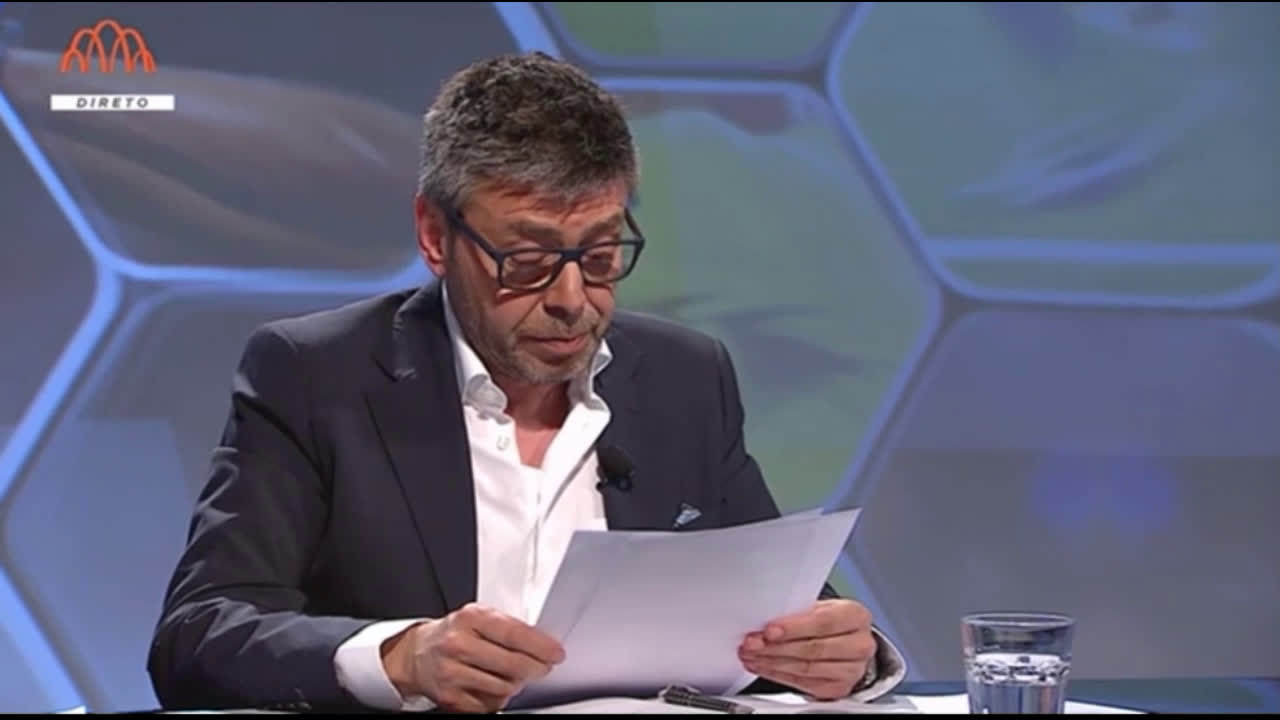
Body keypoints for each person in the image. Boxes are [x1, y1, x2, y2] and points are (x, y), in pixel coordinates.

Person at [146, 51, 905, 713]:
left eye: (601, 256)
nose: (573, 300)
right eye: (529, 260)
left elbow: (777, 611)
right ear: (435, 236)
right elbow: (197, 635)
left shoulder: (684, 378)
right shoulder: (317, 375)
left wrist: (847, 654)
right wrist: (400, 657)